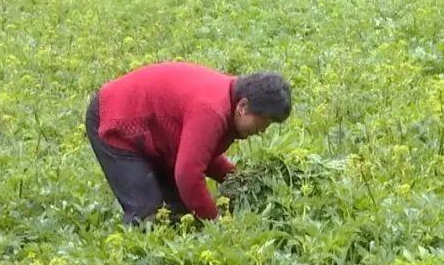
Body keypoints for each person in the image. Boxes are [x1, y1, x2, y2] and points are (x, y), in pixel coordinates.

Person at [85, 62, 291, 225]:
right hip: (114, 119)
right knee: (147, 213)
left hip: (152, 132)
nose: (263, 130)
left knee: (182, 211)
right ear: (243, 106)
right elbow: (188, 174)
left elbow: (201, 154)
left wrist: (238, 179)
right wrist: (215, 223)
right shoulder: (212, 110)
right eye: (264, 121)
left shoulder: (228, 100)